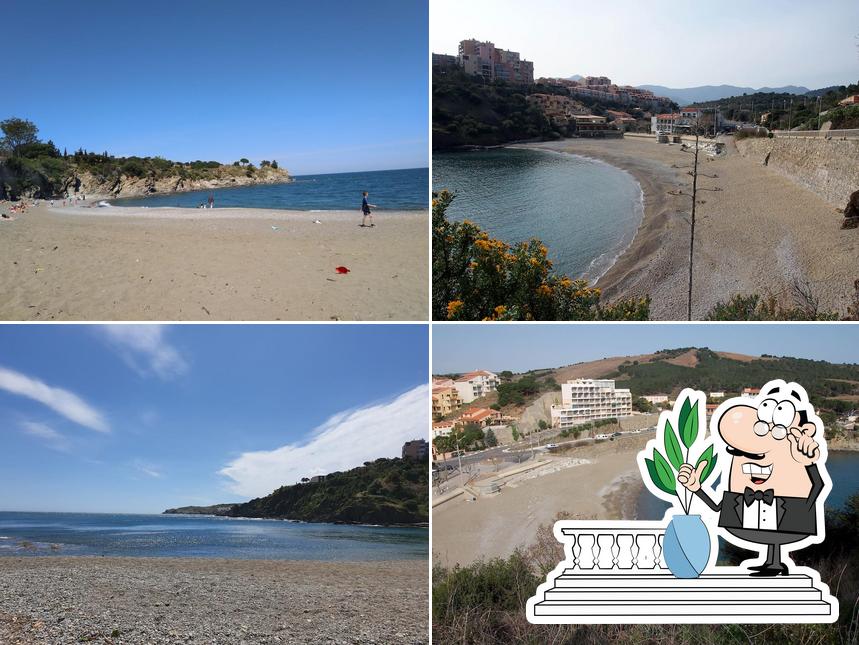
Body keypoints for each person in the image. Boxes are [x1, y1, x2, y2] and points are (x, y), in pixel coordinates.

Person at [678, 381, 827, 577]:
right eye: (740, 452)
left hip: (789, 512)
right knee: (770, 535)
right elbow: (716, 508)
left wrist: (804, 505)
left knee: (776, 534)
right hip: (752, 514)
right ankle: (771, 562)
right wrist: (696, 487)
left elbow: (819, 484)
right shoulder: (739, 496)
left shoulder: (799, 453)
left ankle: (774, 563)